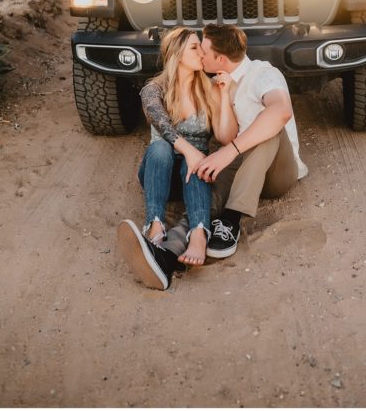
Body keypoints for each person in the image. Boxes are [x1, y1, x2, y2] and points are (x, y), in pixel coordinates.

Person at [117, 27, 238, 290]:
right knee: (161, 149)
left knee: (197, 163)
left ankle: (198, 233)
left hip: (190, 178)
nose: (202, 52)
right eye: (195, 47)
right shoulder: (154, 89)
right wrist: (191, 150)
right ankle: (155, 226)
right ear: (177, 52)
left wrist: (225, 96)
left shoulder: (208, 88)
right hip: (158, 173)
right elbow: (161, 124)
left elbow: (226, 136)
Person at [193, 22, 308, 259]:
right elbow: (225, 136)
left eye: (204, 52)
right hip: (243, 168)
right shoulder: (219, 82)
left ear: (221, 58)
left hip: (277, 173)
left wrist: (230, 150)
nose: (200, 55)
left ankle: (231, 220)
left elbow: (281, 111)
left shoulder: (263, 74)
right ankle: (177, 242)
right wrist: (221, 97)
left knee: (269, 125)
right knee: (208, 186)